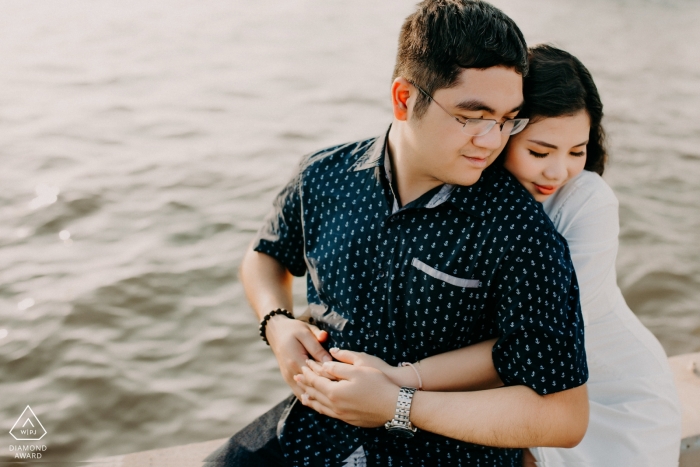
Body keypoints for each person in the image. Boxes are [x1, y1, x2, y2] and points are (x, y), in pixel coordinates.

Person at [211, 2, 590, 465]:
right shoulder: (323, 176)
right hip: (322, 423)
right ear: (404, 99)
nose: (492, 140)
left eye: (508, 118)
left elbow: (564, 418)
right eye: (473, 116)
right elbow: (264, 255)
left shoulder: (520, 229)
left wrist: (398, 405)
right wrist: (277, 324)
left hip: (451, 446)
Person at [297, 45, 682, 466]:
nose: (558, 171)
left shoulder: (587, 200)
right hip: (511, 392)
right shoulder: (469, 186)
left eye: (577, 151)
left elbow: (534, 344)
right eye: (540, 151)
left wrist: (403, 381)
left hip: (605, 389)